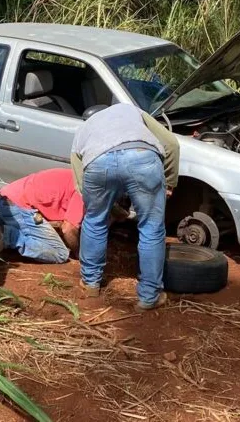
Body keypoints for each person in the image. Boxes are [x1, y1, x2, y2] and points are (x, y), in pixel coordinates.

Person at [70, 103, 180, 311]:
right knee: (151, 227)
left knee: (94, 221)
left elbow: (81, 181)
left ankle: (90, 284)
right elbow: (171, 144)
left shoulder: (84, 128)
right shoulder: (132, 110)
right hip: (142, 157)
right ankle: (149, 297)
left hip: (98, 162)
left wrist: (103, 206)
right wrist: (170, 180)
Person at [0, 168, 83, 264]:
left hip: (5, 202)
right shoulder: (84, 189)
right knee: (60, 253)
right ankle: (5, 235)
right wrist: (80, 254)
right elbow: (68, 229)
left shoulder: (79, 176)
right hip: (16, 207)